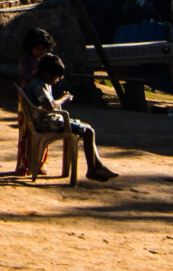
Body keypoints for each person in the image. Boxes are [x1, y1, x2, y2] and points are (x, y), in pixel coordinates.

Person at [23, 53, 118, 182]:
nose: (56, 80)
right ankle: (93, 169)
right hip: (47, 122)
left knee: (87, 127)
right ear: (47, 74)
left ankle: (98, 166)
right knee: (88, 131)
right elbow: (50, 106)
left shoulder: (36, 82)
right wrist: (64, 99)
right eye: (56, 77)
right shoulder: (39, 86)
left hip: (44, 120)